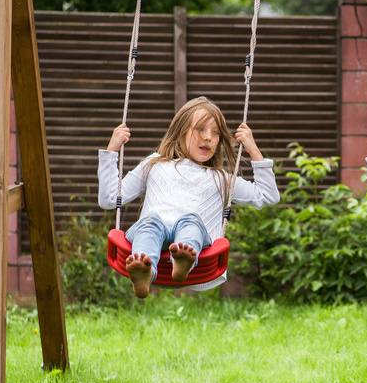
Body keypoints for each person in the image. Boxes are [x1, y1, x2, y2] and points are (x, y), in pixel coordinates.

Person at [98, 96, 280, 298]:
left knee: (191, 220)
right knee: (150, 222)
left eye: (215, 132)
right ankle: (144, 270)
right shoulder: (154, 165)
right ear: (181, 130)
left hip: (195, 245)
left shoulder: (221, 179)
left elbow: (267, 195)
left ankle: (183, 259)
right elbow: (109, 199)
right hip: (150, 232)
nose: (208, 137)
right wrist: (112, 150)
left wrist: (252, 149)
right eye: (200, 129)